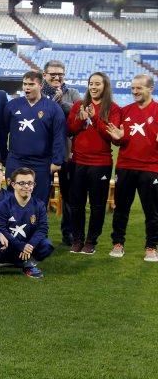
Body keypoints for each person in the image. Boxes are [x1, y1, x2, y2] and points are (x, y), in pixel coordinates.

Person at [66, 72, 121, 254]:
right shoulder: (78, 106)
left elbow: (112, 138)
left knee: (97, 205)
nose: (93, 87)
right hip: (78, 162)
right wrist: (80, 119)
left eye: (97, 83)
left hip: (101, 163)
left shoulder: (113, 109)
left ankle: (91, 241)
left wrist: (96, 118)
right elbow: (70, 131)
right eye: (91, 83)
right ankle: (77, 239)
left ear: (105, 86)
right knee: (76, 204)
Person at [106, 74, 158, 261]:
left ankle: (151, 247)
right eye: (133, 88)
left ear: (150, 88)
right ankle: (117, 243)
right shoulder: (125, 111)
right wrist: (118, 137)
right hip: (125, 167)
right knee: (121, 209)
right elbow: (117, 140)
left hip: (151, 168)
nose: (134, 91)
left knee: (152, 210)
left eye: (139, 88)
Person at [0, 71, 65, 204]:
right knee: (12, 199)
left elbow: (59, 136)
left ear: (40, 85)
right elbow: (2, 132)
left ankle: (37, 225)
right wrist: (4, 157)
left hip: (41, 163)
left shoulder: (53, 108)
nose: (26, 87)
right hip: (16, 160)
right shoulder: (12, 105)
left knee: (39, 201)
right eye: (24, 84)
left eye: (31, 84)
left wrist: (57, 161)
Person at [0, 167, 54, 279]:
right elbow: (1, 228)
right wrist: (20, 245)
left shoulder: (39, 205)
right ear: (13, 184)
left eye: (30, 183)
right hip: (8, 246)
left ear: (34, 185)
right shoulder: (4, 205)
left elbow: (43, 228)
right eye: (21, 183)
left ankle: (28, 265)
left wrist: (30, 245)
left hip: (27, 247)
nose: (26, 186)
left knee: (47, 245)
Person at [42, 60, 82, 246]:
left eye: (60, 74)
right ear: (44, 75)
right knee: (40, 196)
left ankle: (70, 233)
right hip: (42, 154)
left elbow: (78, 116)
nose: (57, 77)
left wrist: (61, 102)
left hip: (66, 153)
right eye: (53, 74)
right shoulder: (38, 91)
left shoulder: (72, 93)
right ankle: (39, 233)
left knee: (70, 196)